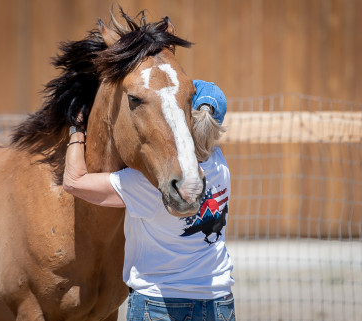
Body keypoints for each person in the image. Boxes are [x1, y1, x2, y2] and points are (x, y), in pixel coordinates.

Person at [63, 80, 235, 321]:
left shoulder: (146, 183)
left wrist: (76, 129)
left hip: (160, 302)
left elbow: (74, 181)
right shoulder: (220, 164)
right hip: (219, 299)